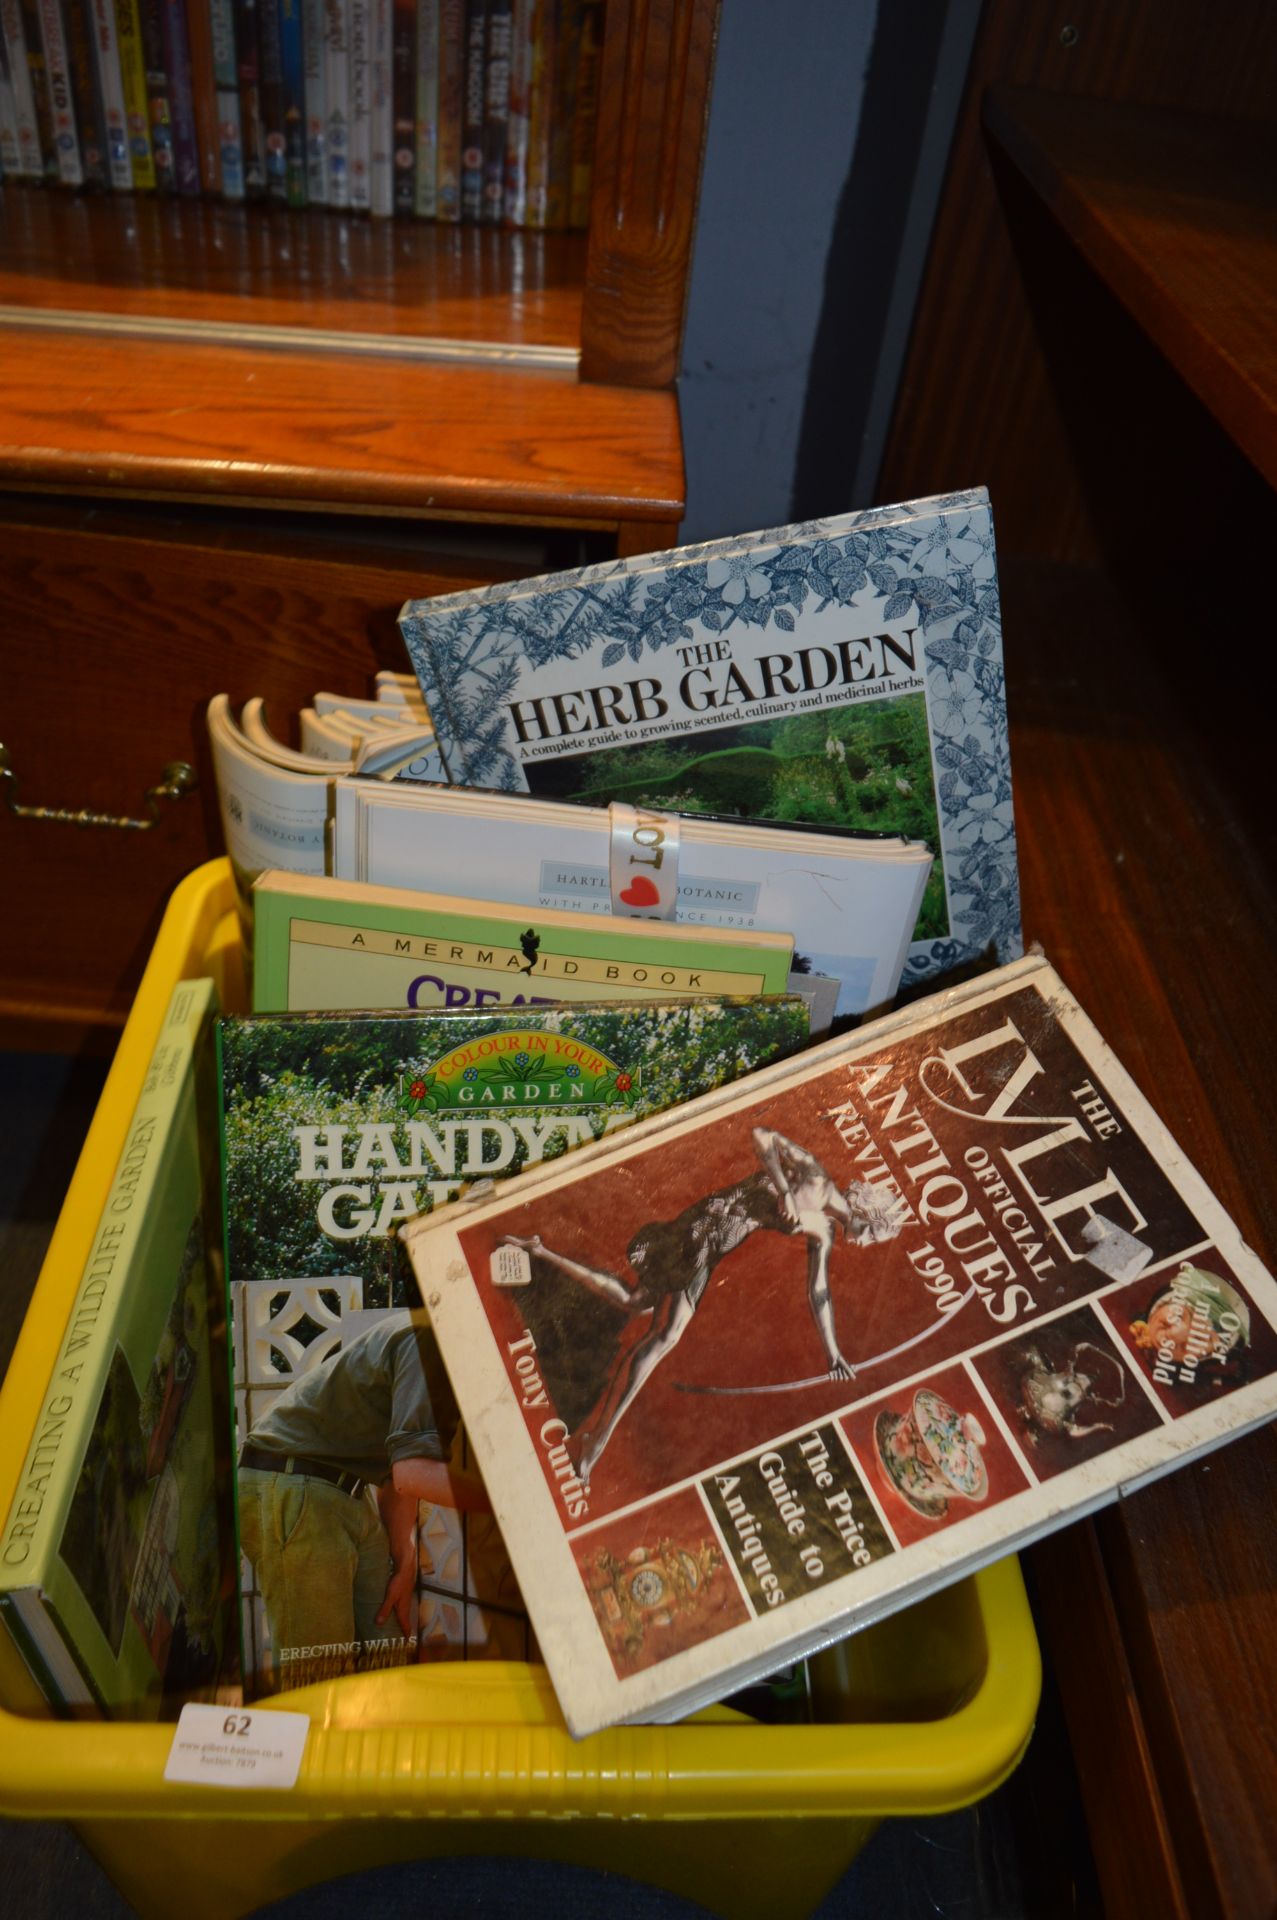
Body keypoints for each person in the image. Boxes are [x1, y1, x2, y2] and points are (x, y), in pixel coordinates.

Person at [498, 1126, 901, 1484]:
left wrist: (833, 1355)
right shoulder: (813, 1177)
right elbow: (761, 1133)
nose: (865, 1245)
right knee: (664, 1337)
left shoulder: (825, 1232)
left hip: (712, 1252)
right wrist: (781, 1188)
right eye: (872, 1236)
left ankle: (540, 1251)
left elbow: (819, 1292)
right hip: (705, 1229)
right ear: (868, 1215)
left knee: (635, 1301)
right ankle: (594, 1447)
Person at [236, 1309, 489, 1687]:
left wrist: (404, 1561)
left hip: (349, 1493)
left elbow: (400, 1476)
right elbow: (413, 1472)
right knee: (319, 1679)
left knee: (387, 1654)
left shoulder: (442, 1341)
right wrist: (512, 1504)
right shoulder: (430, 1336)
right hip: (296, 1483)